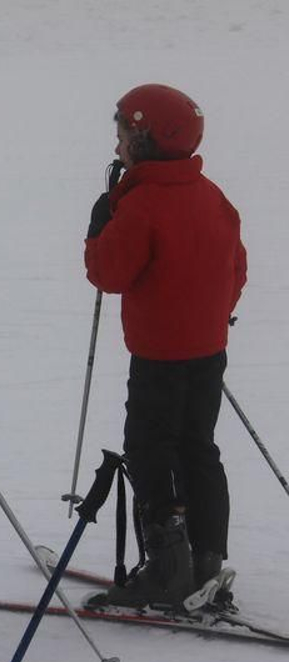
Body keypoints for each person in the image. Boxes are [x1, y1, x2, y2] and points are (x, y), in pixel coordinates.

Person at [83, 84, 247, 610]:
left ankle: (168, 571)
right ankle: (206, 560)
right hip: (207, 350)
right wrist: (212, 315)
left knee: (152, 449)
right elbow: (236, 269)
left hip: (158, 355)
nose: (117, 147)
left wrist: (99, 227)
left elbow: (108, 274)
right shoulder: (211, 195)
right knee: (199, 445)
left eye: (124, 135)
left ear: (144, 137)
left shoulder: (143, 203)